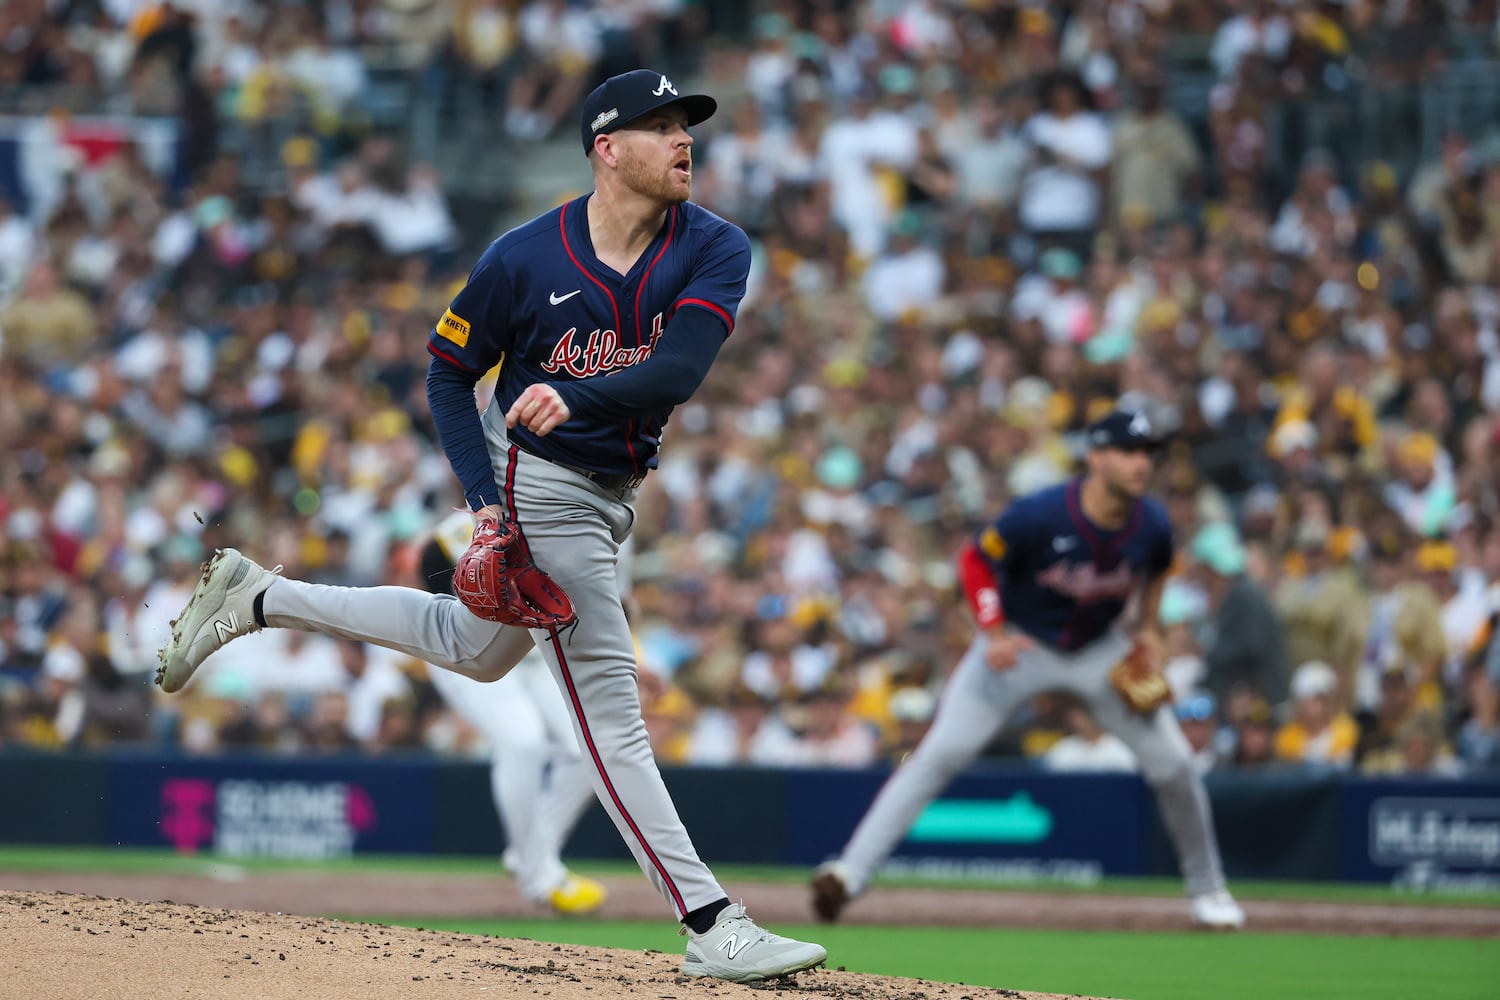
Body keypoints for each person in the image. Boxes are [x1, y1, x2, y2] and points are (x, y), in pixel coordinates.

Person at [155, 69, 827, 984]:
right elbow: (445, 372)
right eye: (661, 125)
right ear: (607, 147)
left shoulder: (713, 244)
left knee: (469, 647)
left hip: (610, 490)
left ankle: (262, 595)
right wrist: (483, 502)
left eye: (687, 126)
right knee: (611, 718)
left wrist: (573, 391)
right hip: (541, 485)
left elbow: (677, 370)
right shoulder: (524, 256)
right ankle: (711, 920)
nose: (684, 141)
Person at [809, 411, 1245, 929]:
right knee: (938, 754)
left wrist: (1148, 633)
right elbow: (976, 561)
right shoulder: (1043, 514)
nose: (1142, 462)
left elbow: (1152, 582)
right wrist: (991, 629)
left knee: (1174, 765)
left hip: (1097, 651)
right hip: (1020, 643)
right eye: (1129, 450)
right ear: (1096, 456)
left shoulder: (1151, 522)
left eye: (1148, 452)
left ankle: (1209, 891)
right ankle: (849, 874)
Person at [418, 509, 606, 915]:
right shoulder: (477, 521)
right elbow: (430, 566)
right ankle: (539, 877)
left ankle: (530, 853)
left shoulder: (576, 517)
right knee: (522, 742)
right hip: (466, 644)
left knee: (586, 748)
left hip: (531, 649)